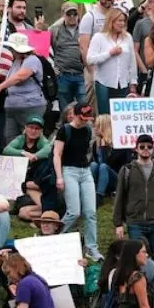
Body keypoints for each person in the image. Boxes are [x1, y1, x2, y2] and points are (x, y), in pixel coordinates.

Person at [113, 133, 154, 255]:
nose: (146, 149)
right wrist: (118, 224)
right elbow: (119, 197)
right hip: (135, 222)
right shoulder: (127, 170)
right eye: (142, 147)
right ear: (136, 149)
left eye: (149, 146)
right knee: (138, 257)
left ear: (153, 149)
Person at [55, 103, 104, 260]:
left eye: (87, 118)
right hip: (69, 171)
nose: (85, 121)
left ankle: (91, 248)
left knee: (90, 212)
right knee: (74, 212)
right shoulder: (65, 130)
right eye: (82, 118)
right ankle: (54, 236)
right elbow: (57, 154)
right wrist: (59, 177)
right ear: (75, 115)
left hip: (85, 171)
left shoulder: (88, 129)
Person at [0, 32, 48, 149]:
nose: (10, 50)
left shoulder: (32, 60)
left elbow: (19, 77)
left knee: (31, 140)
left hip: (30, 105)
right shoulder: (16, 62)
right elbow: (10, 80)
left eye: (12, 48)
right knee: (10, 138)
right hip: (12, 107)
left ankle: (34, 159)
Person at [87, 7, 139, 114]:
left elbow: (132, 61)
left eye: (123, 21)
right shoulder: (99, 37)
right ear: (111, 21)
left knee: (121, 115)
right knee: (105, 115)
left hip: (123, 83)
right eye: (119, 20)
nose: (122, 23)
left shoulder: (128, 37)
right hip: (104, 82)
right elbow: (90, 59)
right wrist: (109, 53)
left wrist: (133, 81)